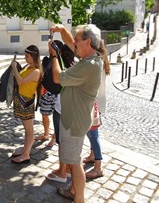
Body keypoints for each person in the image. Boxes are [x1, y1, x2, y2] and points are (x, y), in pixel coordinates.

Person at [49, 24, 108, 203]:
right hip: (76, 118)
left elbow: (57, 77)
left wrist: (53, 55)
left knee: (74, 164)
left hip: (74, 122)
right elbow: (71, 45)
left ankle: (79, 199)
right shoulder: (91, 57)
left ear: (88, 42)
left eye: (77, 39)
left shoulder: (88, 65)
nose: (74, 43)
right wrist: (62, 30)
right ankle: (74, 190)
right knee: (73, 160)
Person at [45, 44, 76, 182]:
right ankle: (67, 169)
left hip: (62, 109)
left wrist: (53, 56)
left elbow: (55, 80)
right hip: (71, 110)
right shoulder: (76, 66)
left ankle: (62, 171)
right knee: (67, 142)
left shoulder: (62, 69)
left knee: (62, 142)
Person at [9, 45, 42, 164]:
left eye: (27, 56)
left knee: (29, 129)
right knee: (27, 128)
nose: (25, 58)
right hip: (21, 100)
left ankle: (26, 154)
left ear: (33, 57)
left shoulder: (36, 71)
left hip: (26, 102)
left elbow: (21, 81)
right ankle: (25, 150)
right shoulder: (28, 67)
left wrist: (14, 68)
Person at [83, 40, 110, 179]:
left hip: (93, 103)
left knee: (93, 135)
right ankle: (93, 155)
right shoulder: (100, 60)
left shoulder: (96, 62)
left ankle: (98, 167)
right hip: (96, 102)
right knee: (93, 133)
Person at [36, 40, 64, 144]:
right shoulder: (46, 60)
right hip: (47, 91)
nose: (49, 50)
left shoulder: (61, 62)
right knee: (44, 113)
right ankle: (46, 133)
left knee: (56, 117)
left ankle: (54, 136)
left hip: (58, 92)